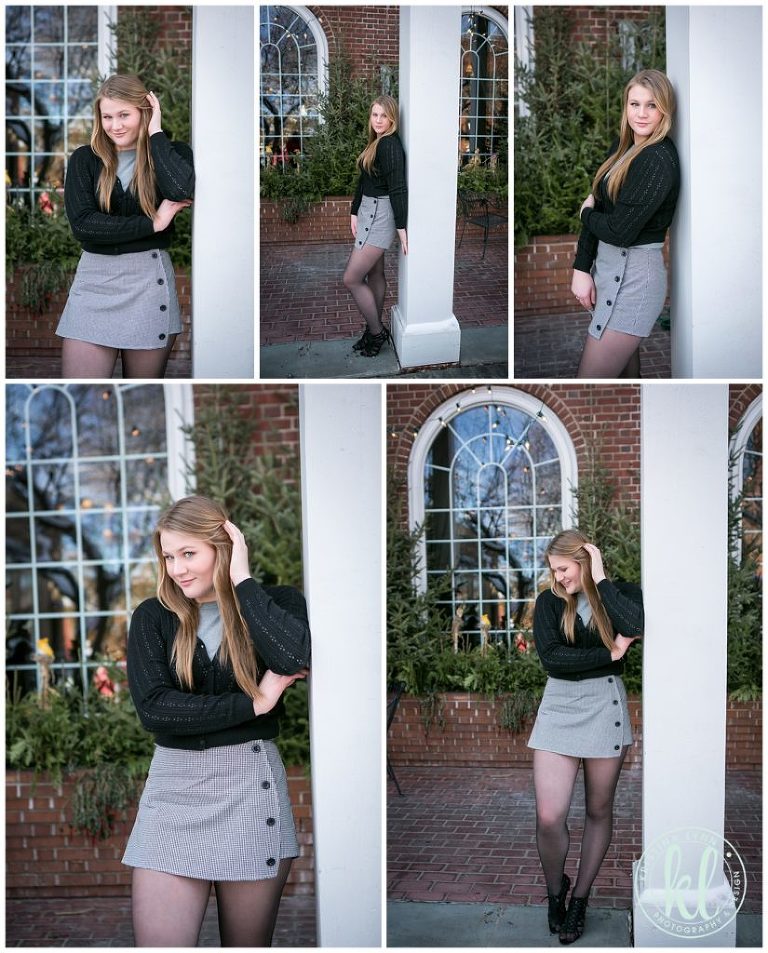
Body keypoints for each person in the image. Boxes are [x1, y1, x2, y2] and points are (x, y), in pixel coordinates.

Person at [122, 496, 311, 947]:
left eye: (189, 553)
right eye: (169, 556)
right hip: (173, 795)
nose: (177, 569)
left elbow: (292, 656)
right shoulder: (153, 617)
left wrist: (241, 580)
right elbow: (156, 709)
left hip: (249, 790)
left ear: (223, 547)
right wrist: (254, 704)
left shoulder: (275, 603)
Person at [527, 529, 643, 944]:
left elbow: (635, 624)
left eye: (564, 568)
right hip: (559, 709)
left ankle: (579, 899)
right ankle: (555, 891)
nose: (558, 578)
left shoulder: (620, 593)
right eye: (553, 571)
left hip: (603, 710)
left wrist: (601, 576)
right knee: (549, 816)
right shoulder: (548, 602)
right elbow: (553, 659)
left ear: (584, 561)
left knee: (598, 810)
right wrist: (609, 654)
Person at [56, 74, 195, 379]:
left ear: (144, 111)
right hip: (94, 285)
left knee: (144, 386)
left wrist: (155, 132)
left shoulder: (172, 153)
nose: (115, 125)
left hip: (148, 283)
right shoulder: (85, 160)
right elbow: (84, 226)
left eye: (124, 115)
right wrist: (154, 223)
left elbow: (180, 190)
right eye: (107, 116)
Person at [571, 69, 679, 379]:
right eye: (635, 104)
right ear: (626, 106)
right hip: (610, 275)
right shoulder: (622, 149)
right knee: (625, 378)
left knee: (589, 380)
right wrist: (581, 268)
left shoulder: (657, 159)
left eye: (652, 105)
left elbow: (619, 230)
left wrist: (585, 214)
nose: (642, 114)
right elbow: (600, 205)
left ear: (665, 110)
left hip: (634, 283)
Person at [343, 94, 408, 358]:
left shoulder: (389, 146)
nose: (378, 120)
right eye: (374, 115)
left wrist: (401, 228)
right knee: (375, 274)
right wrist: (354, 210)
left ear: (392, 118)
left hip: (379, 215)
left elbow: (398, 187)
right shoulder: (377, 142)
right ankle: (372, 331)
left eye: (383, 115)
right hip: (369, 210)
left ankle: (377, 331)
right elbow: (363, 180)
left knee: (351, 278)